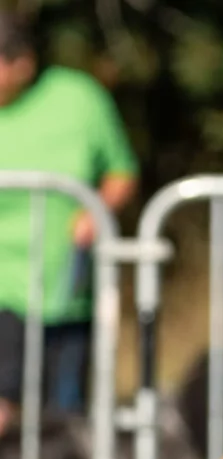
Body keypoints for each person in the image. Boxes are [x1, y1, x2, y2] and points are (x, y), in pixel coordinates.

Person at [0, 14, 138, 436]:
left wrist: (95, 209)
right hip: (4, 287)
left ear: (22, 62)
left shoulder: (79, 96)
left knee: (62, 419)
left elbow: (121, 172)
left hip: (66, 287)